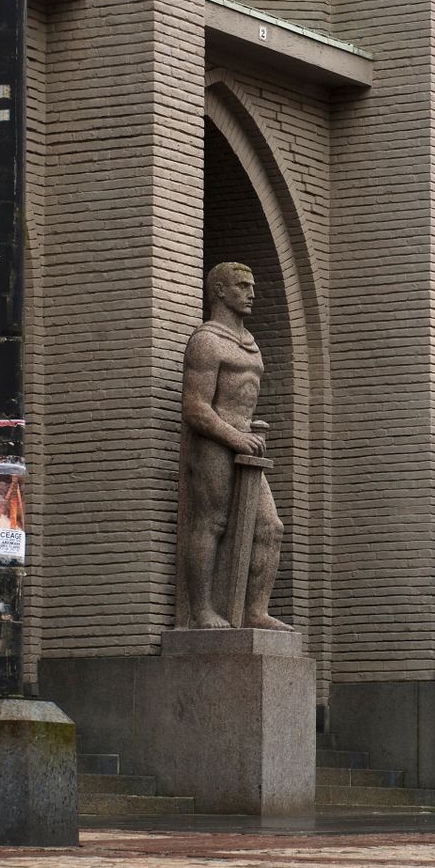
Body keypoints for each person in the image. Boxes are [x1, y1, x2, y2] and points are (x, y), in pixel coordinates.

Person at [176, 261, 289, 631]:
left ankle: (255, 610)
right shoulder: (207, 341)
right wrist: (234, 435)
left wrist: (249, 431)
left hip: (246, 443)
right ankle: (201, 610)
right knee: (212, 522)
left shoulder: (249, 343)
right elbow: (195, 407)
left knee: (270, 527)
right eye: (242, 286)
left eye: (252, 286)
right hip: (214, 443)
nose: (252, 293)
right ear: (220, 291)